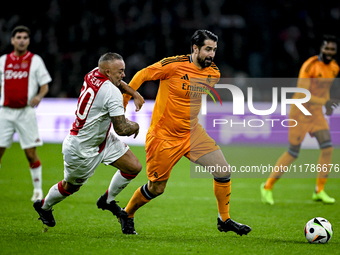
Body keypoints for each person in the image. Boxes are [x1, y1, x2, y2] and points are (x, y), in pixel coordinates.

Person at [120, 30, 252, 235]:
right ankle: (127, 213)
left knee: (223, 171)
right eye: (208, 49)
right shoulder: (173, 64)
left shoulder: (213, 74)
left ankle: (224, 220)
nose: (212, 54)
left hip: (192, 133)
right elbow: (143, 74)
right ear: (195, 48)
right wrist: (125, 101)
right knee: (157, 189)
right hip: (163, 137)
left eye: (214, 50)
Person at [33, 52, 145, 227]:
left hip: (102, 139)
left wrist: (134, 93)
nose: (124, 75)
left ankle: (108, 200)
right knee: (70, 186)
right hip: (81, 148)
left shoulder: (94, 73)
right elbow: (122, 129)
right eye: (120, 71)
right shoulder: (110, 92)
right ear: (107, 72)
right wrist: (136, 126)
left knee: (133, 167)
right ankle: (44, 206)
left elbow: (119, 83)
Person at [261, 35, 340, 205]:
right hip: (300, 113)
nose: (329, 51)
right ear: (321, 48)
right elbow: (302, 95)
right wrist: (325, 102)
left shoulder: (334, 68)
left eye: (332, 49)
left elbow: (324, 90)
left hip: (316, 114)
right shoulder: (309, 66)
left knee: (327, 148)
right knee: (293, 152)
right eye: (326, 48)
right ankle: (267, 186)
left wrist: (325, 105)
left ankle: (319, 190)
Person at [0, 25, 52, 202]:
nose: (22, 40)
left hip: (26, 113)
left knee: (30, 153)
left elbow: (45, 85)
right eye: (19, 37)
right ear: (13, 40)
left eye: (25, 37)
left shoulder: (35, 60)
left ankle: (37, 190)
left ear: (28, 41)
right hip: (5, 112)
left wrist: (38, 96)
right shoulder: (3, 60)